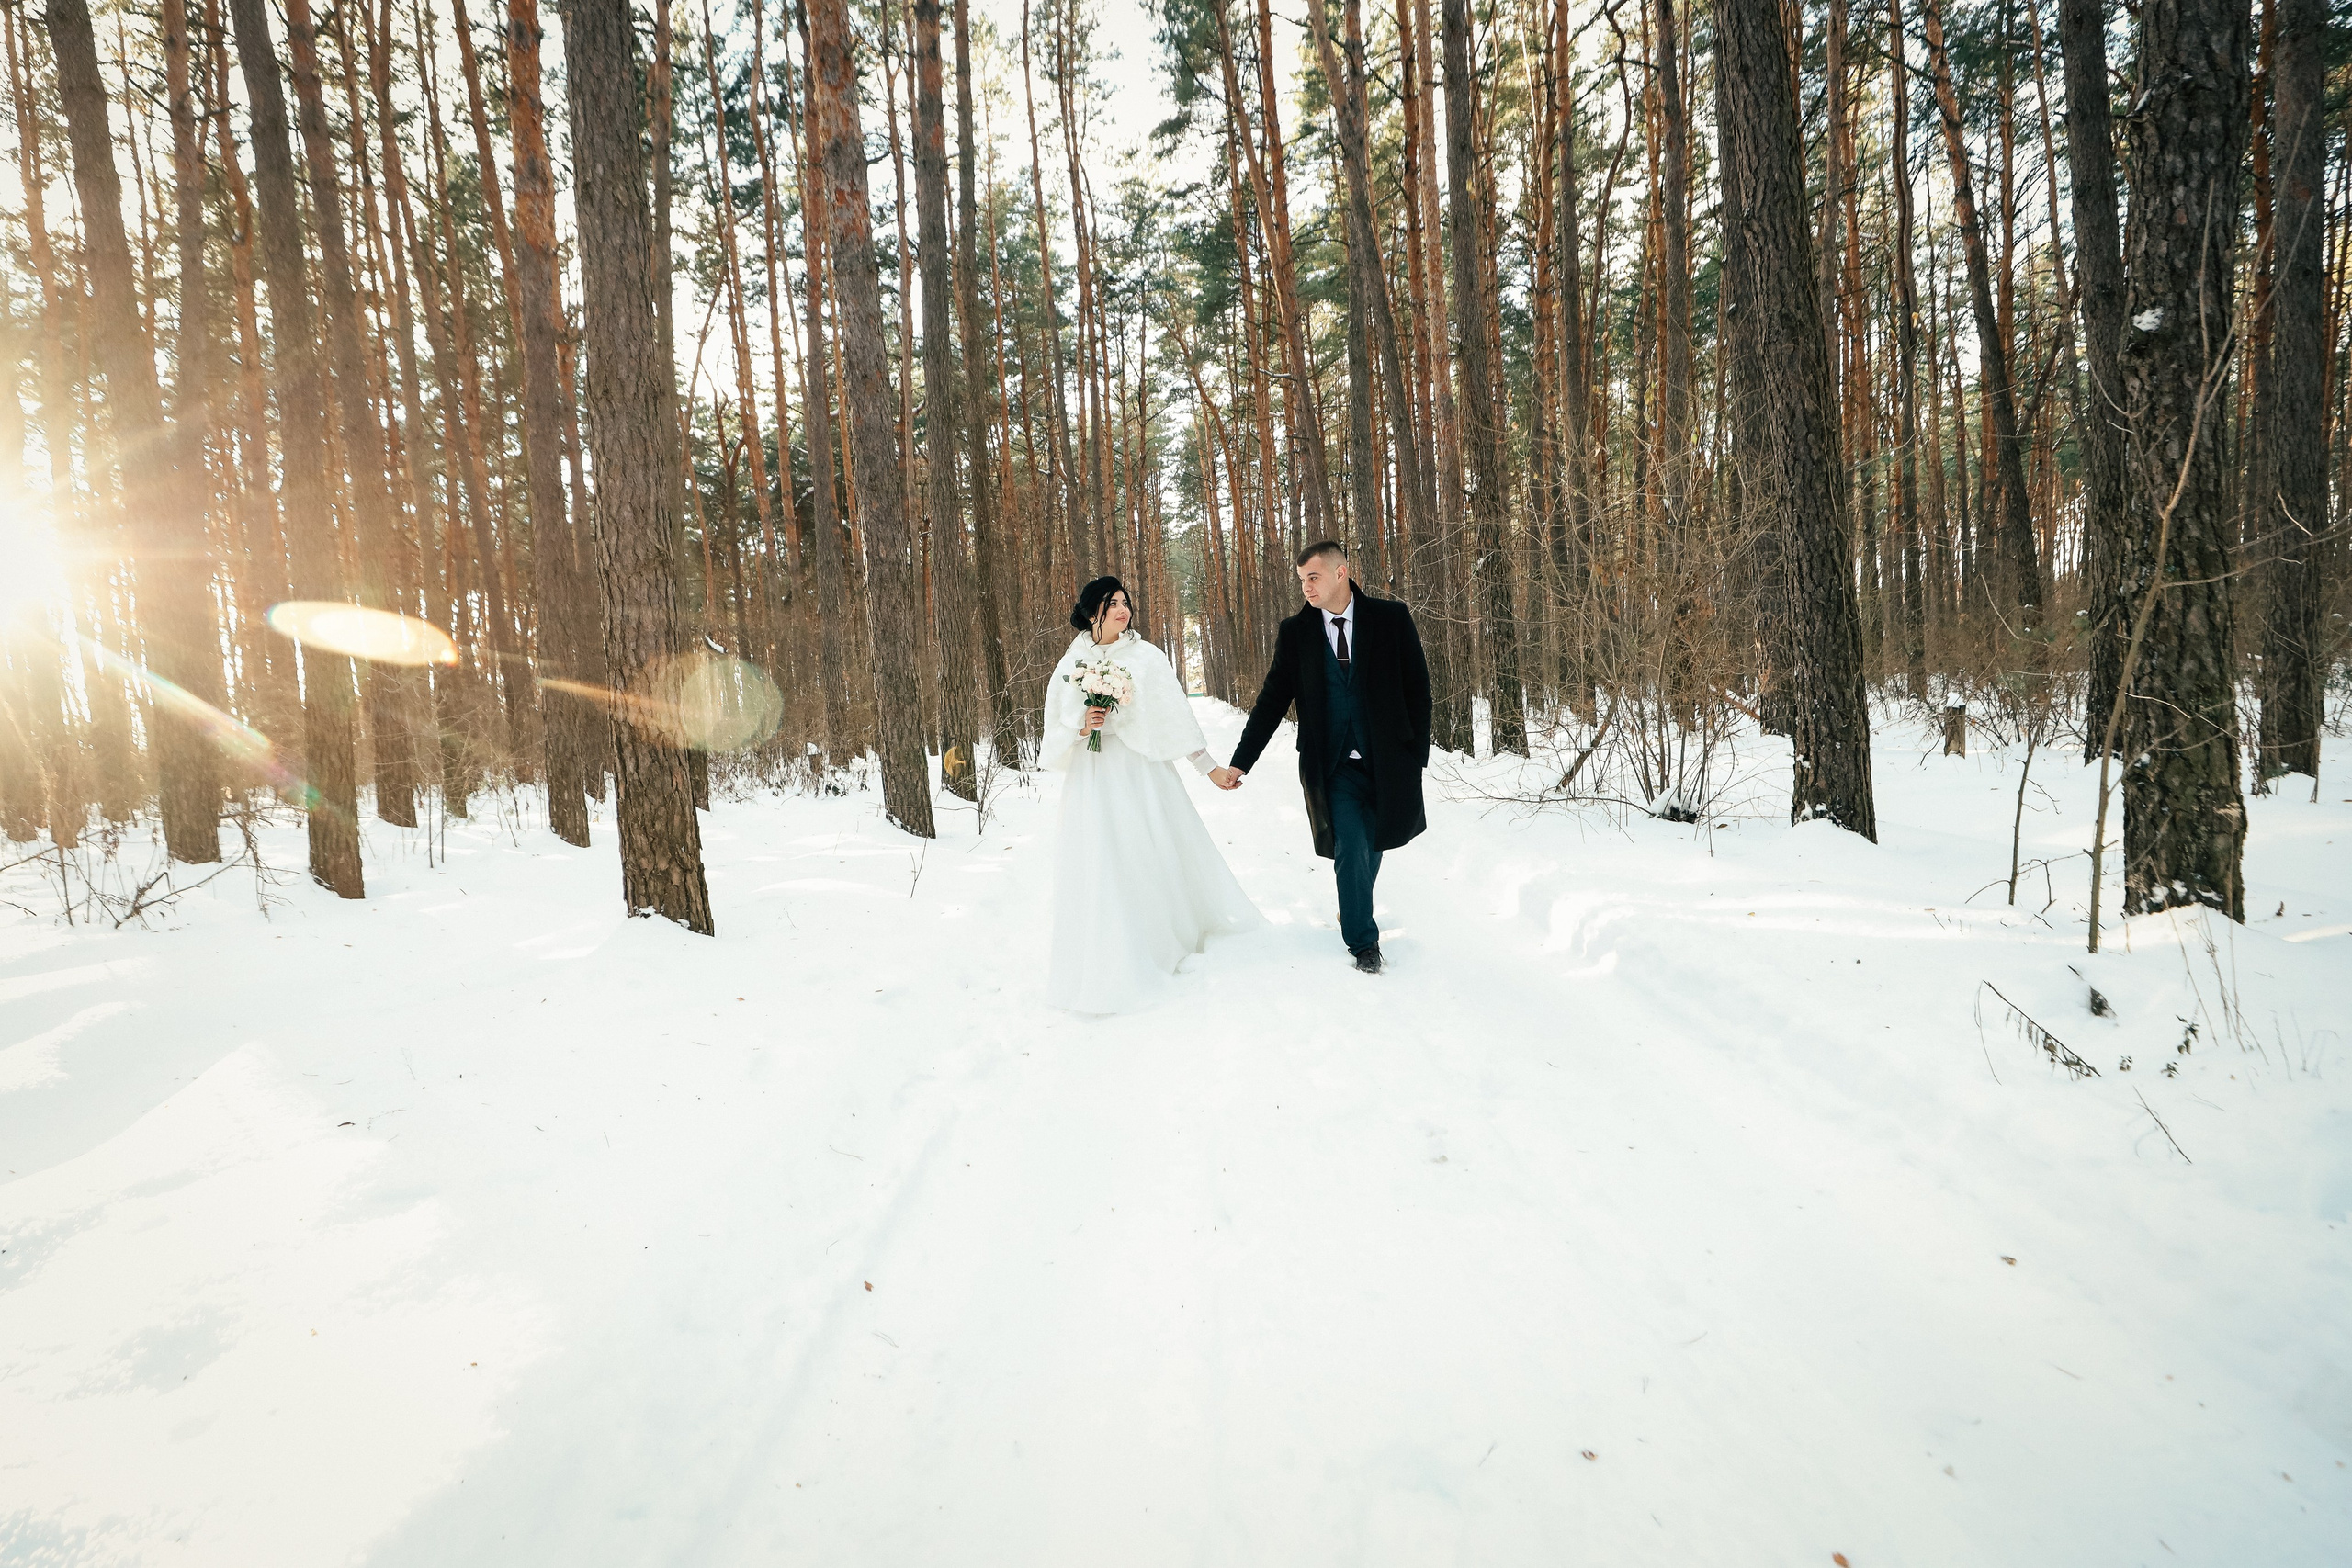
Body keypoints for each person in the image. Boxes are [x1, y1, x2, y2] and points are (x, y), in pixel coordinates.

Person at [1043, 577, 1262, 1012]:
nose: (1123, 610)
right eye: (1112, 603)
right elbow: (1057, 721)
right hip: (1094, 775)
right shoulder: (1073, 660)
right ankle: (1108, 950)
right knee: (1101, 856)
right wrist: (1083, 724)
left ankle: (1161, 937)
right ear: (1092, 613)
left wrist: (1210, 769)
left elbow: (1173, 718)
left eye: (1125, 602)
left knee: (1143, 850)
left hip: (1139, 771)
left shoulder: (1147, 657)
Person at [1214, 541, 1430, 973]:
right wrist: (1240, 761)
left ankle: (1352, 906)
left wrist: (1415, 755)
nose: (1306, 588)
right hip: (1332, 765)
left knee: (1373, 842)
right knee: (1351, 841)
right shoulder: (1295, 634)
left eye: (1313, 577)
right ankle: (1363, 941)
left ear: (1340, 573)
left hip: (1386, 761)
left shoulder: (1390, 619)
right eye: (1301, 580)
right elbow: (1272, 700)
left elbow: (1418, 688)